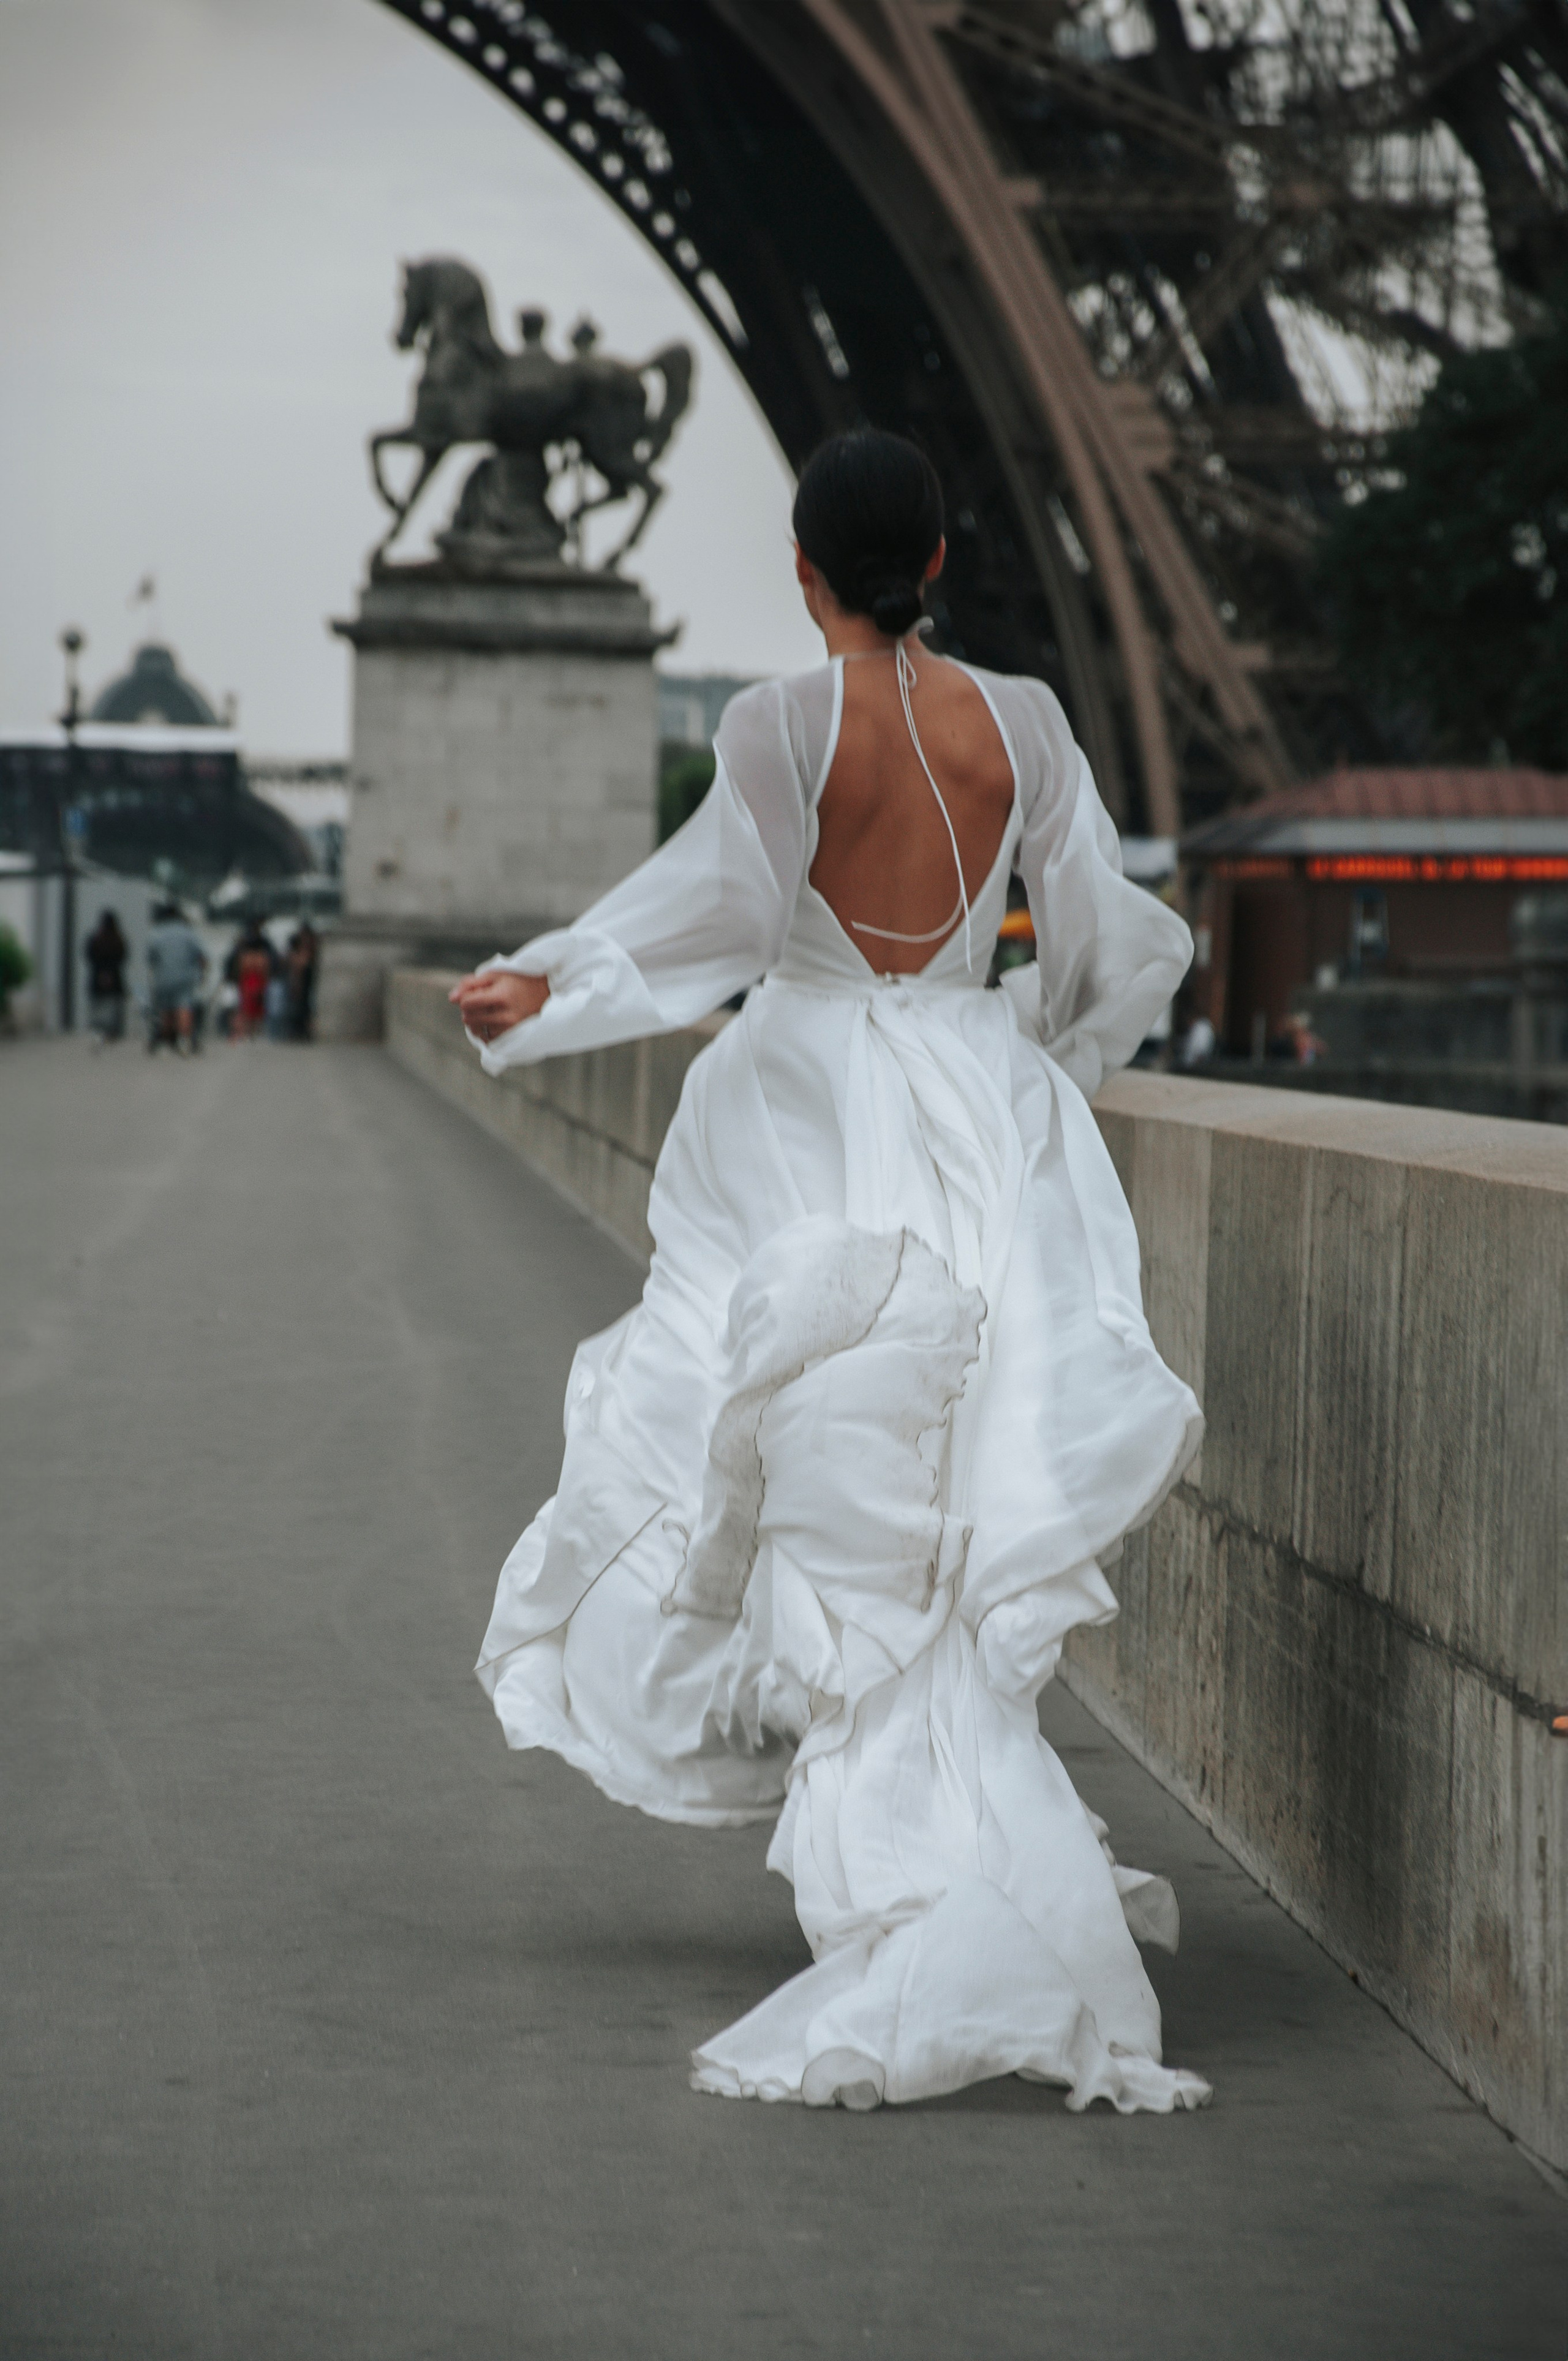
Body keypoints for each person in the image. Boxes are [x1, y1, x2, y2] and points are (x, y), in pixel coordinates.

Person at [452, 430, 1208, 2117]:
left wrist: (546, 988)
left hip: (799, 1106)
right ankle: (967, 1847)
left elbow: (711, 925)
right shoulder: (1022, 723)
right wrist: (1035, 1060)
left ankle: (899, 1873)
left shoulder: (780, 723)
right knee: (945, 1510)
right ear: (935, 560)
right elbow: (1099, 945)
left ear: (806, 571)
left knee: (791, 1458)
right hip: (972, 1096)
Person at [145, 900, 206, 1054]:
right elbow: (201, 956)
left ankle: (166, 1041)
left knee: (165, 1010)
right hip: (185, 976)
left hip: (163, 977)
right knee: (184, 1007)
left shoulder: (156, 933)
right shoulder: (188, 933)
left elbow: (151, 958)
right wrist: (202, 974)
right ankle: (184, 1040)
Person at [84, 908, 128, 1045]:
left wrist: (102, 972)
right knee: (114, 1006)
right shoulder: (119, 939)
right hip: (115, 977)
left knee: (97, 1006)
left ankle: (97, 1030)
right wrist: (110, 972)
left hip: (97, 976)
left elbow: (89, 956)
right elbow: (123, 958)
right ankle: (113, 1032)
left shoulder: (95, 939)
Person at [227, 918, 275, 1042]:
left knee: (248, 1007)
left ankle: (247, 1033)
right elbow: (267, 969)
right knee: (256, 1008)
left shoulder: (243, 951)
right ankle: (252, 1033)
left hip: (248, 981)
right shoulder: (263, 952)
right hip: (256, 980)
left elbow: (238, 967)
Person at [285, 921, 318, 1041]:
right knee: (299, 1010)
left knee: (304, 1010)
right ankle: (299, 1032)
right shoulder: (300, 954)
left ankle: (302, 1032)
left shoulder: (308, 952)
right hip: (301, 986)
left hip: (306, 987)